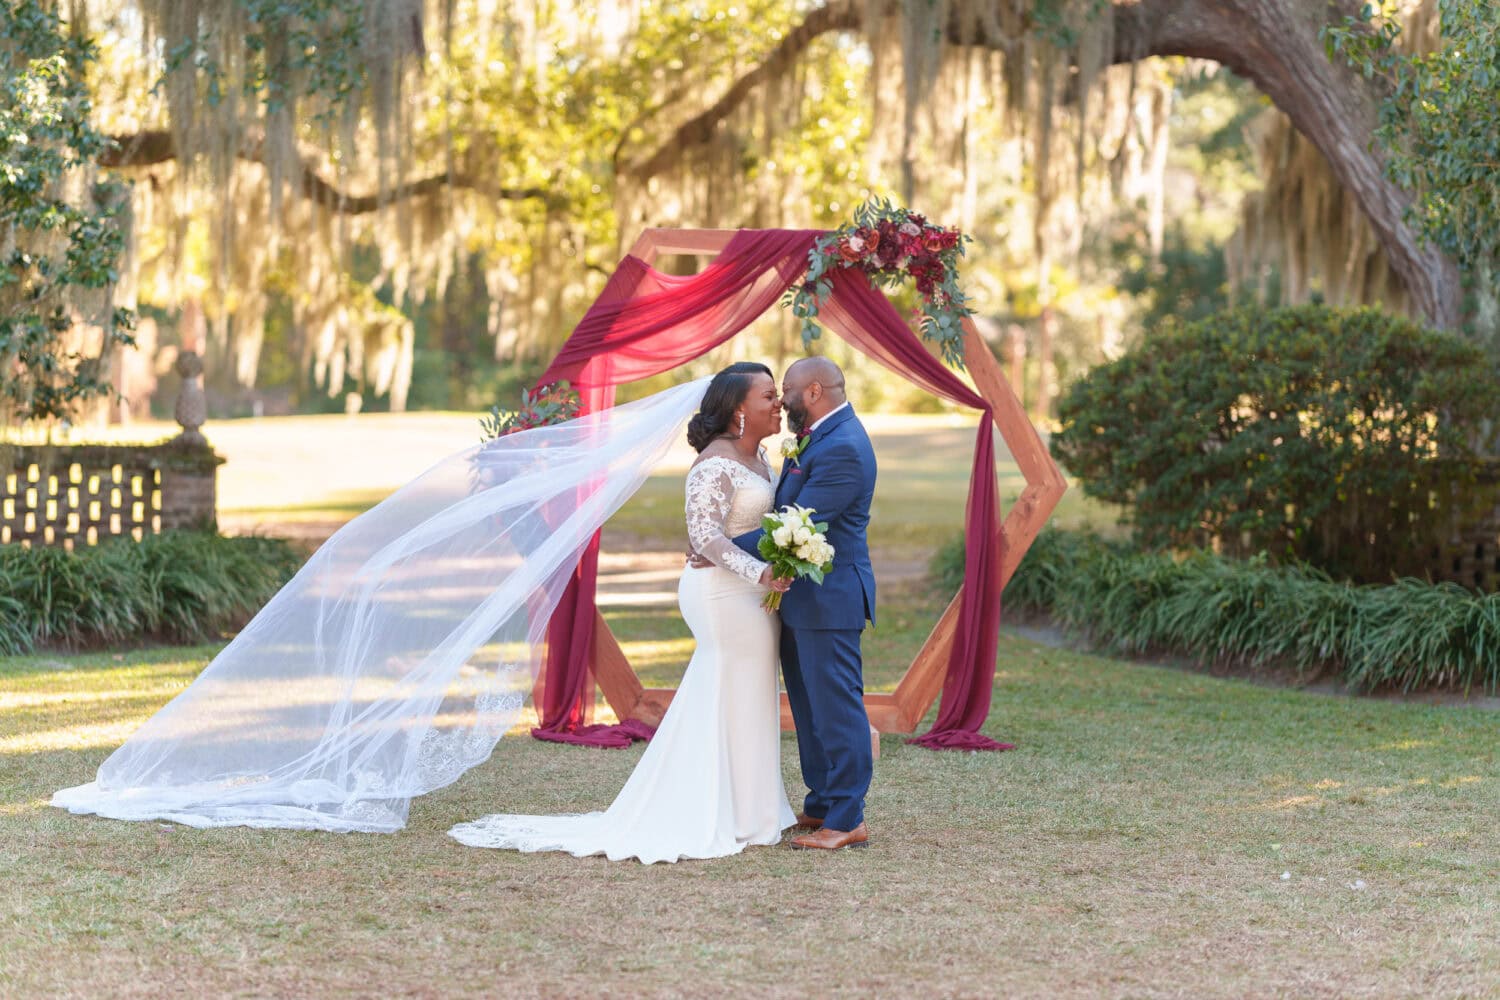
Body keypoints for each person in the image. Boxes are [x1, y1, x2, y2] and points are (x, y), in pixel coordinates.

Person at [448, 362, 799, 862]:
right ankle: (718, 809)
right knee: (727, 685)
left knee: (749, 691)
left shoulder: (762, 457)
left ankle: (755, 807)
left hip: (752, 595)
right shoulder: (715, 463)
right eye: (768, 396)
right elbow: (704, 536)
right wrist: (759, 573)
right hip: (722, 595)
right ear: (739, 409)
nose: (777, 403)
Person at [730, 356, 877, 851]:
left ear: (813, 391)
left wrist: (719, 547)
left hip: (831, 599)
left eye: (786, 390)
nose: (782, 399)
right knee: (810, 708)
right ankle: (821, 804)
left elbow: (797, 523)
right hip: (802, 597)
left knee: (836, 708)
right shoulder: (821, 436)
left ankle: (847, 818)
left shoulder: (844, 449)